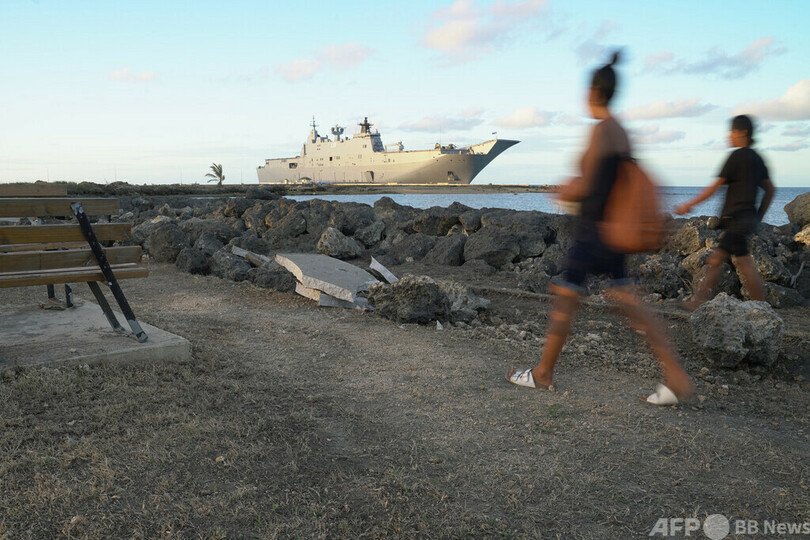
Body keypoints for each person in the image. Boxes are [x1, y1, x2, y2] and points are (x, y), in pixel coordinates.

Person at [507, 51, 694, 405]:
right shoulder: (621, 131)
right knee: (625, 299)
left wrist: (564, 189)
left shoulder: (601, 131)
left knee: (567, 294)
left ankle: (544, 374)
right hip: (613, 230)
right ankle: (676, 376)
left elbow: (591, 185)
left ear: (592, 93)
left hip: (595, 230)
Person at [675, 115, 776, 309]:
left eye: (732, 131)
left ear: (743, 132)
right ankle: (759, 307)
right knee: (725, 260)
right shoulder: (757, 158)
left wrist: (689, 204)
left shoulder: (737, 157)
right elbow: (770, 190)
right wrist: (759, 216)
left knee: (730, 261)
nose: (729, 136)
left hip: (737, 218)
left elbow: (714, 187)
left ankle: (759, 307)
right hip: (746, 219)